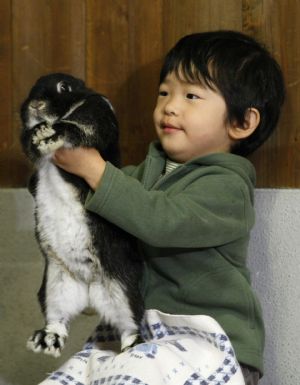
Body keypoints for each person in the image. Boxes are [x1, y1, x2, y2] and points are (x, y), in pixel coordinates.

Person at [50, 31, 285, 385]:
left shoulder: (228, 188)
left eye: (191, 95)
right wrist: (60, 170)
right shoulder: (144, 174)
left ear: (242, 122)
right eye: (164, 92)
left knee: (138, 371)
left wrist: (94, 169)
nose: (170, 106)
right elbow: (105, 210)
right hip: (143, 336)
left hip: (205, 342)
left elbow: (161, 219)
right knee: (75, 373)